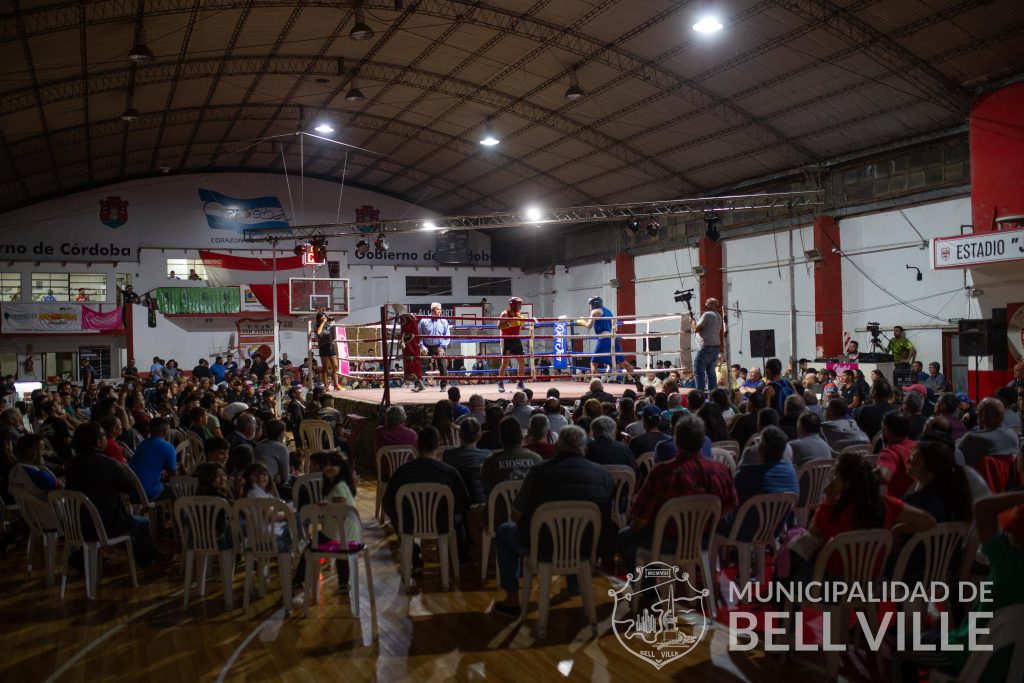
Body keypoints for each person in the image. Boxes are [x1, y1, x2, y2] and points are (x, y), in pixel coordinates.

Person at [891, 491, 1024, 683]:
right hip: (1009, 667)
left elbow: (983, 507)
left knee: (899, 649)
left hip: (966, 655)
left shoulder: (1006, 563)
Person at [492, 425, 614, 617]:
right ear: (584, 447)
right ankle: (575, 585)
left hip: (542, 546)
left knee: (505, 530)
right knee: (577, 530)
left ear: (558, 446)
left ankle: (513, 598)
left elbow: (516, 515)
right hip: (586, 547)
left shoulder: (538, 472)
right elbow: (606, 518)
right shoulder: (603, 475)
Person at [618, 415, 738, 572]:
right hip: (703, 539)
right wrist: (706, 521)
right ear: (703, 441)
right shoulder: (720, 470)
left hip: (666, 541)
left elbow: (639, 519)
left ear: (676, 441)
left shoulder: (662, 472)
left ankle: (648, 589)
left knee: (623, 538)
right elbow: (731, 503)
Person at [66, 421, 157, 566]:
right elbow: (129, 486)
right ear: (98, 442)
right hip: (104, 525)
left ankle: (82, 558)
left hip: (77, 524)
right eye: (103, 436)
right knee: (142, 523)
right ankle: (148, 562)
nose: (105, 439)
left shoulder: (71, 464)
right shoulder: (105, 463)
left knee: (130, 523)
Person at [383, 427, 470, 574]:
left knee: (397, 519)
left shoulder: (402, 472)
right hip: (442, 523)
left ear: (416, 445)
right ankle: (460, 557)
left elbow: (388, 505)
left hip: (410, 524)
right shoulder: (449, 471)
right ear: (438, 445)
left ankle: (415, 559)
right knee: (459, 516)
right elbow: (464, 502)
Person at [721, 426, 799, 540]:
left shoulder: (747, 474)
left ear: (761, 450)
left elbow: (730, 495)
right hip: (774, 530)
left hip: (742, 531)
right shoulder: (792, 472)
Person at [956, 398, 1020, 489]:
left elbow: (954, 454)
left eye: (978, 411)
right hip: (1008, 490)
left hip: (979, 490)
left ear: (983, 415)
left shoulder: (973, 438)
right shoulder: (1013, 435)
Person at [577, 296, 636, 382]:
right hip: (613, 337)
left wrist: (582, 322)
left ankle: (596, 384)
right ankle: (637, 380)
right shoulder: (608, 311)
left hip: (604, 338)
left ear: (592, 304)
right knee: (622, 361)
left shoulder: (595, 311)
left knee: (594, 362)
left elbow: (589, 325)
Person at [480, 417, 542, 494]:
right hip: (530, 505)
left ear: (500, 438)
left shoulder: (489, 463)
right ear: (521, 436)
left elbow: (486, 489)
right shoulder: (537, 459)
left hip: (499, 505)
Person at [443, 419, 490, 505]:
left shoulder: (448, 455)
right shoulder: (486, 455)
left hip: (456, 505)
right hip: (482, 504)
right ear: (479, 435)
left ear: (460, 435)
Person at [129, 417, 178, 500]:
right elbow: (173, 477)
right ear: (165, 430)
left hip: (132, 492)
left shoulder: (142, 444)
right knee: (178, 489)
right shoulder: (168, 447)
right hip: (149, 493)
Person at [877, 411, 916, 498]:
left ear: (885, 430)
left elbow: (883, 476)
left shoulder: (890, 453)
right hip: (916, 502)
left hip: (896, 504)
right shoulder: (916, 446)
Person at [689, 297, 722, 393]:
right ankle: (713, 393)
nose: (705, 303)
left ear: (713, 305)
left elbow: (696, 329)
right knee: (711, 372)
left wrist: (692, 321)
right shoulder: (718, 316)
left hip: (706, 347)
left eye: (707, 302)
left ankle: (700, 394)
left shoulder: (707, 314)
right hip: (715, 348)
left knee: (698, 371)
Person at [496, 296, 528, 393]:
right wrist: (509, 323)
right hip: (506, 340)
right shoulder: (505, 314)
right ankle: (500, 383)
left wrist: (527, 327)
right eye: (519, 304)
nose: (520, 306)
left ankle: (520, 382)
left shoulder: (518, 314)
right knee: (505, 363)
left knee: (522, 362)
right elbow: (499, 326)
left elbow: (519, 326)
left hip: (516, 339)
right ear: (513, 305)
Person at [419, 302, 452, 391]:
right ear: (432, 310)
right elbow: (419, 335)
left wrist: (442, 347)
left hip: (439, 346)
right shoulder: (424, 321)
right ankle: (418, 385)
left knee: (442, 365)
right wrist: (422, 347)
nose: (439, 311)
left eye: (440, 309)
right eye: (437, 309)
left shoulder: (444, 321)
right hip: (427, 345)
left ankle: (443, 385)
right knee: (423, 365)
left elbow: (447, 336)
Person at [396, 308, 425, 392]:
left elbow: (406, 335)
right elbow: (403, 335)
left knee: (414, 364)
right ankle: (419, 384)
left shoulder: (412, 323)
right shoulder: (406, 327)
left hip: (413, 347)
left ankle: (419, 384)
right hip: (409, 348)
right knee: (411, 365)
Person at [314, 308, 339, 390]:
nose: (325, 318)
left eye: (325, 317)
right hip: (323, 347)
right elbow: (318, 333)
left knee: (335, 366)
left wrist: (334, 325)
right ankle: (326, 385)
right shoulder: (317, 326)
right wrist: (323, 322)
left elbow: (334, 335)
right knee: (325, 367)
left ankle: (336, 385)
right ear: (320, 318)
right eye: (323, 317)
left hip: (331, 346)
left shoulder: (329, 325)